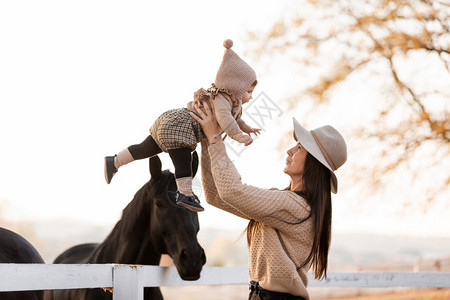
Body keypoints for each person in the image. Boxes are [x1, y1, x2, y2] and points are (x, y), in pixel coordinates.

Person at [190, 103, 347, 300]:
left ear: (313, 163)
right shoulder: (288, 204)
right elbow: (216, 196)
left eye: (299, 148)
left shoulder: (295, 206)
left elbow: (231, 191)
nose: (289, 151)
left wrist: (215, 139)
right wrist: (207, 143)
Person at [104, 39, 261, 212]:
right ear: (235, 86)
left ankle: (115, 161)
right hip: (181, 129)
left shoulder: (230, 103)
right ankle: (185, 193)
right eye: (248, 92)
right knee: (183, 160)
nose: (250, 97)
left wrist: (247, 128)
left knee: (145, 148)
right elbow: (226, 119)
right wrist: (238, 135)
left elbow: (235, 120)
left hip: (169, 121)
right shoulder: (222, 99)